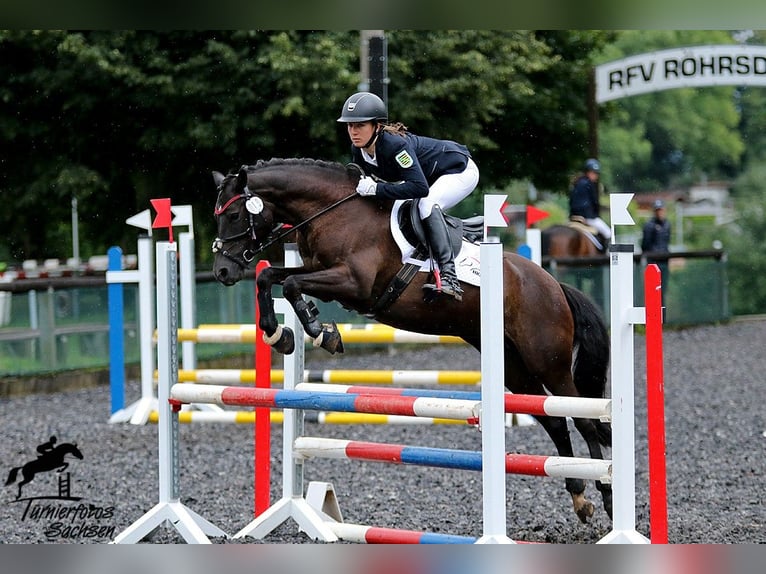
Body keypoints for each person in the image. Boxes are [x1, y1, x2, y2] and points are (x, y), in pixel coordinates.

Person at [337, 91, 479, 302]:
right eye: (349, 126)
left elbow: (419, 188)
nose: (353, 132)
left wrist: (376, 189)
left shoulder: (395, 146)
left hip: (458, 170)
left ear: (377, 126)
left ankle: (450, 277)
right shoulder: (358, 150)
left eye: (360, 126)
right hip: (427, 178)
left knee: (427, 204)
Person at [569, 158, 611, 249]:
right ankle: (606, 256)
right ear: (588, 172)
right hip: (587, 217)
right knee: (608, 233)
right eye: (594, 173)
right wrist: (596, 214)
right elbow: (594, 202)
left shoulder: (576, 183)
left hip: (574, 216)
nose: (595, 176)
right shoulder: (589, 184)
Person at [641, 199, 672, 302]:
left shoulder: (667, 224)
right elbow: (645, 244)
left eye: (661, 210)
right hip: (654, 262)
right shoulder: (649, 226)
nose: (660, 212)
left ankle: (663, 316)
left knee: (663, 291)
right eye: (657, 210)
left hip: (664, 261)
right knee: (654, 291)